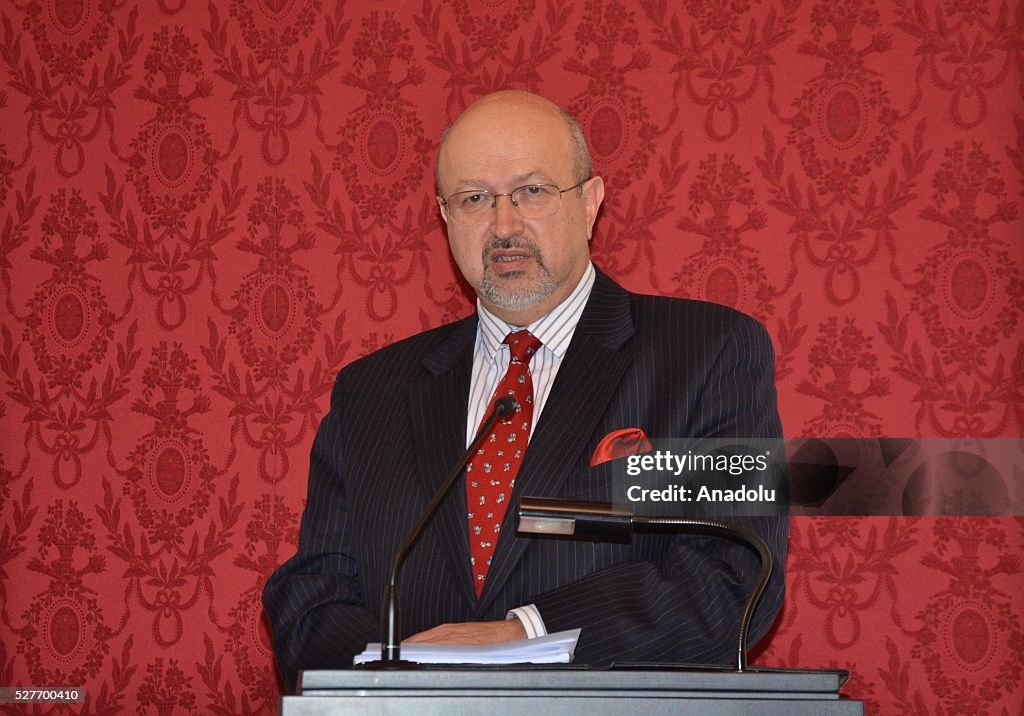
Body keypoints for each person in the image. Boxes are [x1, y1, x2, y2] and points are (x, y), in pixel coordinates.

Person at [262, 90, 788, 692]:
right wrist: (401, 672)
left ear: (591, 203)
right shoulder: (370, 393)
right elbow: (312, 598)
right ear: (444, 215)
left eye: (533, 191)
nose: (503, 225)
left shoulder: (706, 354)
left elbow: (733, 575)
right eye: (475, 199)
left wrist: (527, 633)